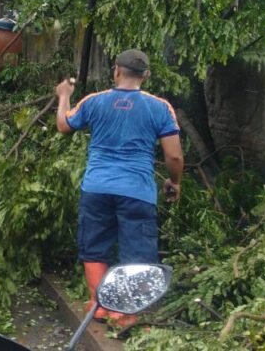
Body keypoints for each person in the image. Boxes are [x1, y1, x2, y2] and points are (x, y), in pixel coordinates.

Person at [55, 49, 184, 329]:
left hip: (97, 188)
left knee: (94, 246)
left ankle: (99, 305)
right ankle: (124, 313)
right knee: (137, 252)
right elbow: (174, 156)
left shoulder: (94, 101)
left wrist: (64, 95)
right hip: (137, 192)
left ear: (116, 71)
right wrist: (174, 181)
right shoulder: (161, 107)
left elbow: (63, 125)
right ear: (146, 75)